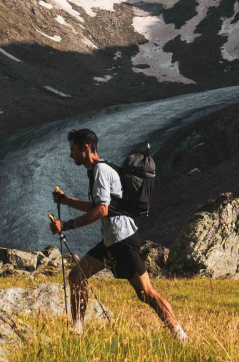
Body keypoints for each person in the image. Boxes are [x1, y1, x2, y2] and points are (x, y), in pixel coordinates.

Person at [49, 128, 187, 342]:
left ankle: (181, 336)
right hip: (112, 240)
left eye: (74, 150)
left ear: (86, 148)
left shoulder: (100, 171)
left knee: (146, 292)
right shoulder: (99, 169)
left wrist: (67, 225)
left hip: (122, 240)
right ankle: (76, 333)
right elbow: (98, 206)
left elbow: (102, 210)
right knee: (76, 276)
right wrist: (66, 201)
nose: (71, 154)